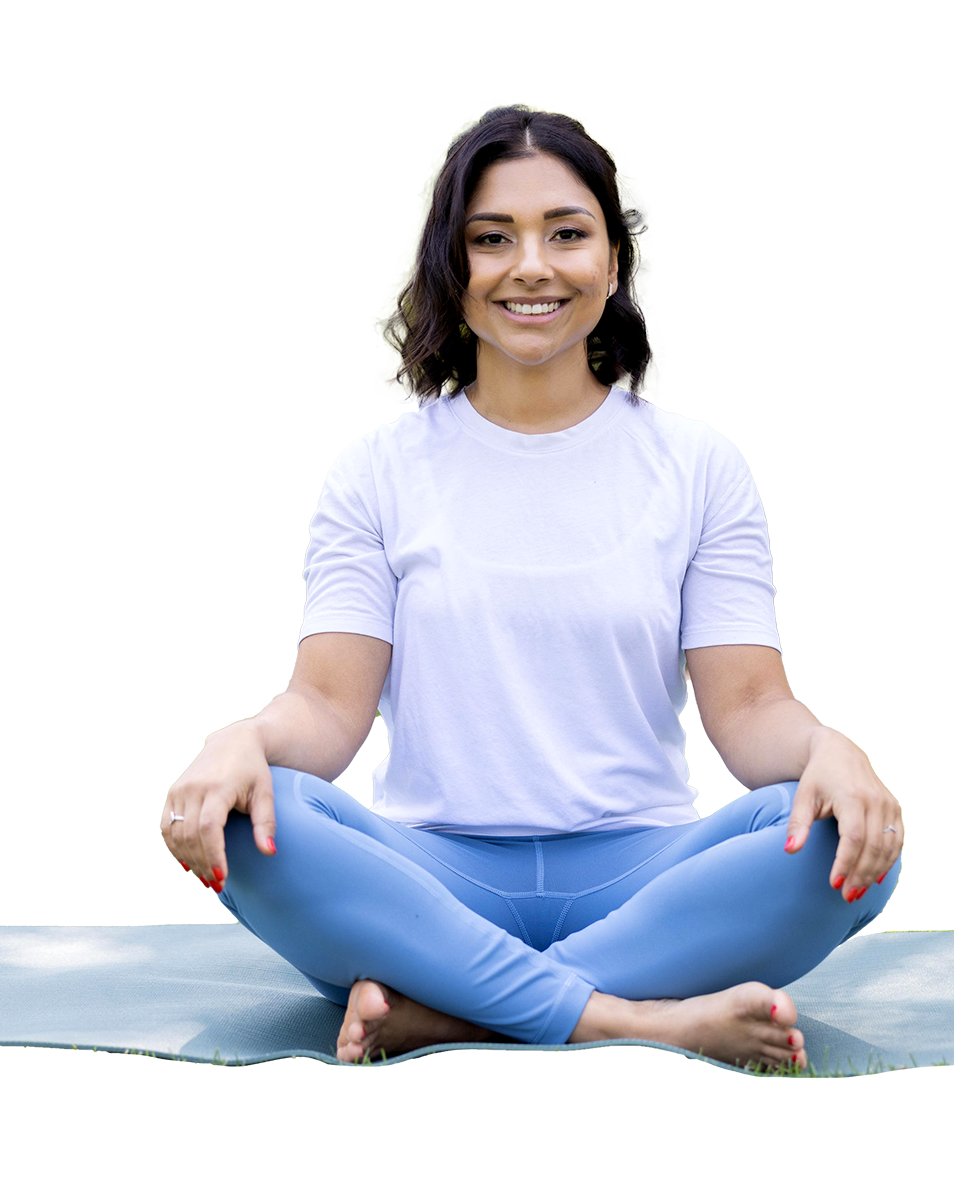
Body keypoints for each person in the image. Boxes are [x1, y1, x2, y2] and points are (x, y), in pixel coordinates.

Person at [161, 104, 903, 1070]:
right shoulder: (378, 472)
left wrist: (829, 751)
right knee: (260, 822)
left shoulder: (697, 468)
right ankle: (630, 1015)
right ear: (451, 265)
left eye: (567, 232)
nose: (532, 266)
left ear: (613, 262)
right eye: (492, 238)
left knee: (849, 837)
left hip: (647, 874)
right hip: (428, 875)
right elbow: (325, 710)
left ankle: (459, 1010)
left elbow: (753, 709)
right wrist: (241, 740)